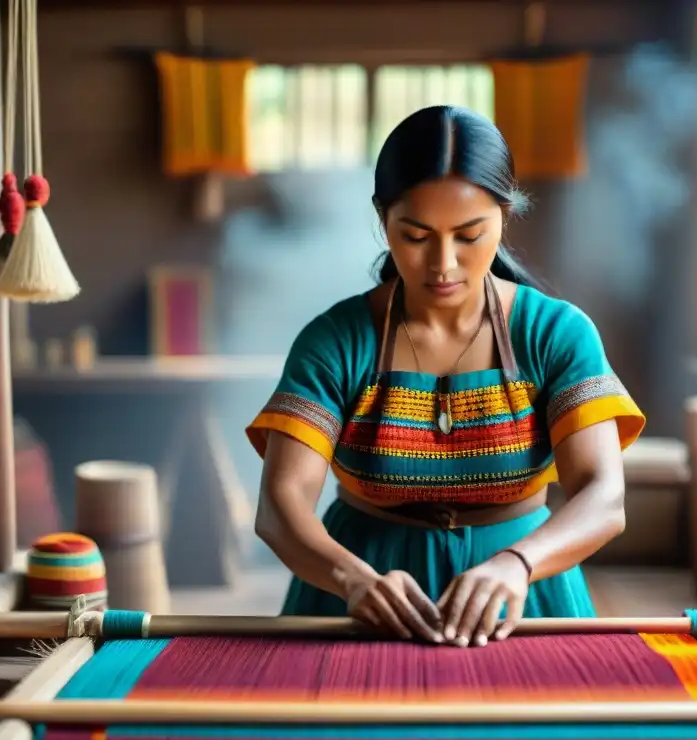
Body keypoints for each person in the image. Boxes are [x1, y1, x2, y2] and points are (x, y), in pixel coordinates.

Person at [245, 105, 645, 648]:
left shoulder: (555, 333)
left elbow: (602, 495)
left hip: (524, 591)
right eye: (415, 235)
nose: (443, 264)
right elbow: (281, 503)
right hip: (361, 591)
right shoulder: (336, 341)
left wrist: (518, 563)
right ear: (382, 218)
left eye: (469, 234)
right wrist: (351, 578)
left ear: (505, 216)